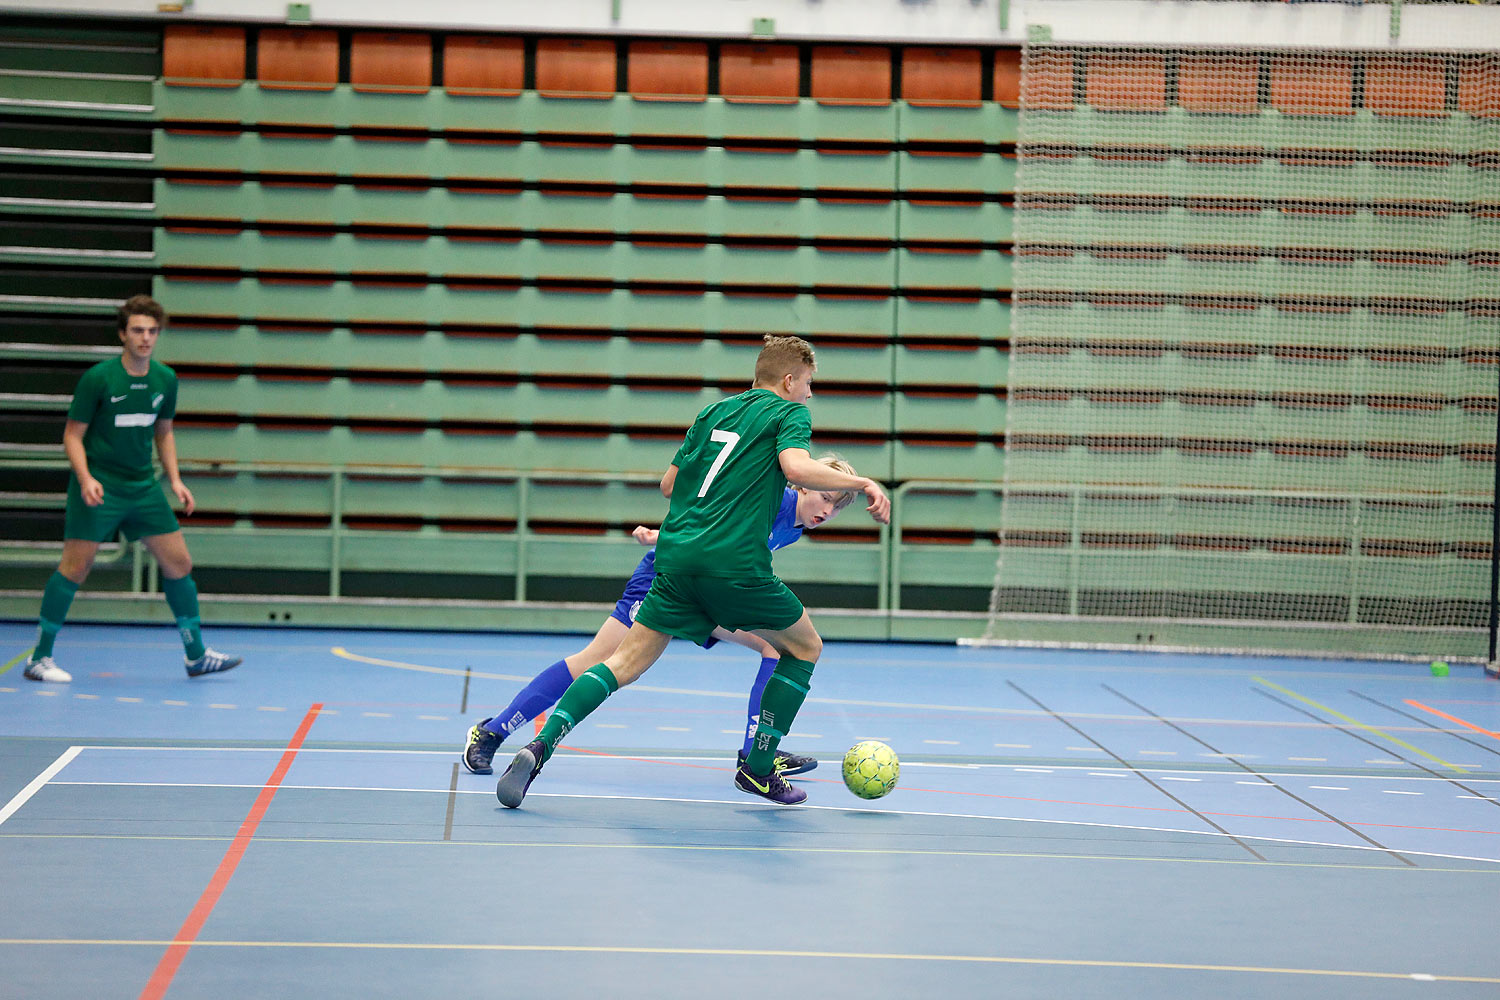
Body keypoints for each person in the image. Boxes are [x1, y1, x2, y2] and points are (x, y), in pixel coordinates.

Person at [494, 334, 889, 808]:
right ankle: (758, 769)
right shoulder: (789, 414)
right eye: (808, 384)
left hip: (677, 560)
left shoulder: (713, 413)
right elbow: (797, 467)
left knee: (619, 665)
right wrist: (861, 481)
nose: (809, 394)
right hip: (732, 565)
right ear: (789, 381)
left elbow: (668, 485)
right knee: (804, 647)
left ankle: (539, 747)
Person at [461, 456, 862, 778]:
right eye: (825, 497)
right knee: (596, 660)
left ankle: (756, 755)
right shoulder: (776, 500)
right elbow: (710, 511)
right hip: (666, 577)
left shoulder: (794, 527)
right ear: (803, 484)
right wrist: (661, 536)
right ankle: (493, 731)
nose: (828, 510)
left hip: (713, 590)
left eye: (838, 505)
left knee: (776, 650)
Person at [22, 294, 241, 683]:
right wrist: (86, 478)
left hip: (143, 486)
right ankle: (39, 658)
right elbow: (72, 436)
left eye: (152, 331)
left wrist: (174, 479)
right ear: (123, 334)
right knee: (75, 567)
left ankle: (195, 656)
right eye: (138, 330)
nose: (146, 338)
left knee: (179, 563)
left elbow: (164, 433)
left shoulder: (165, 379)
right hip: (100, 488)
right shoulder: (98, 379)